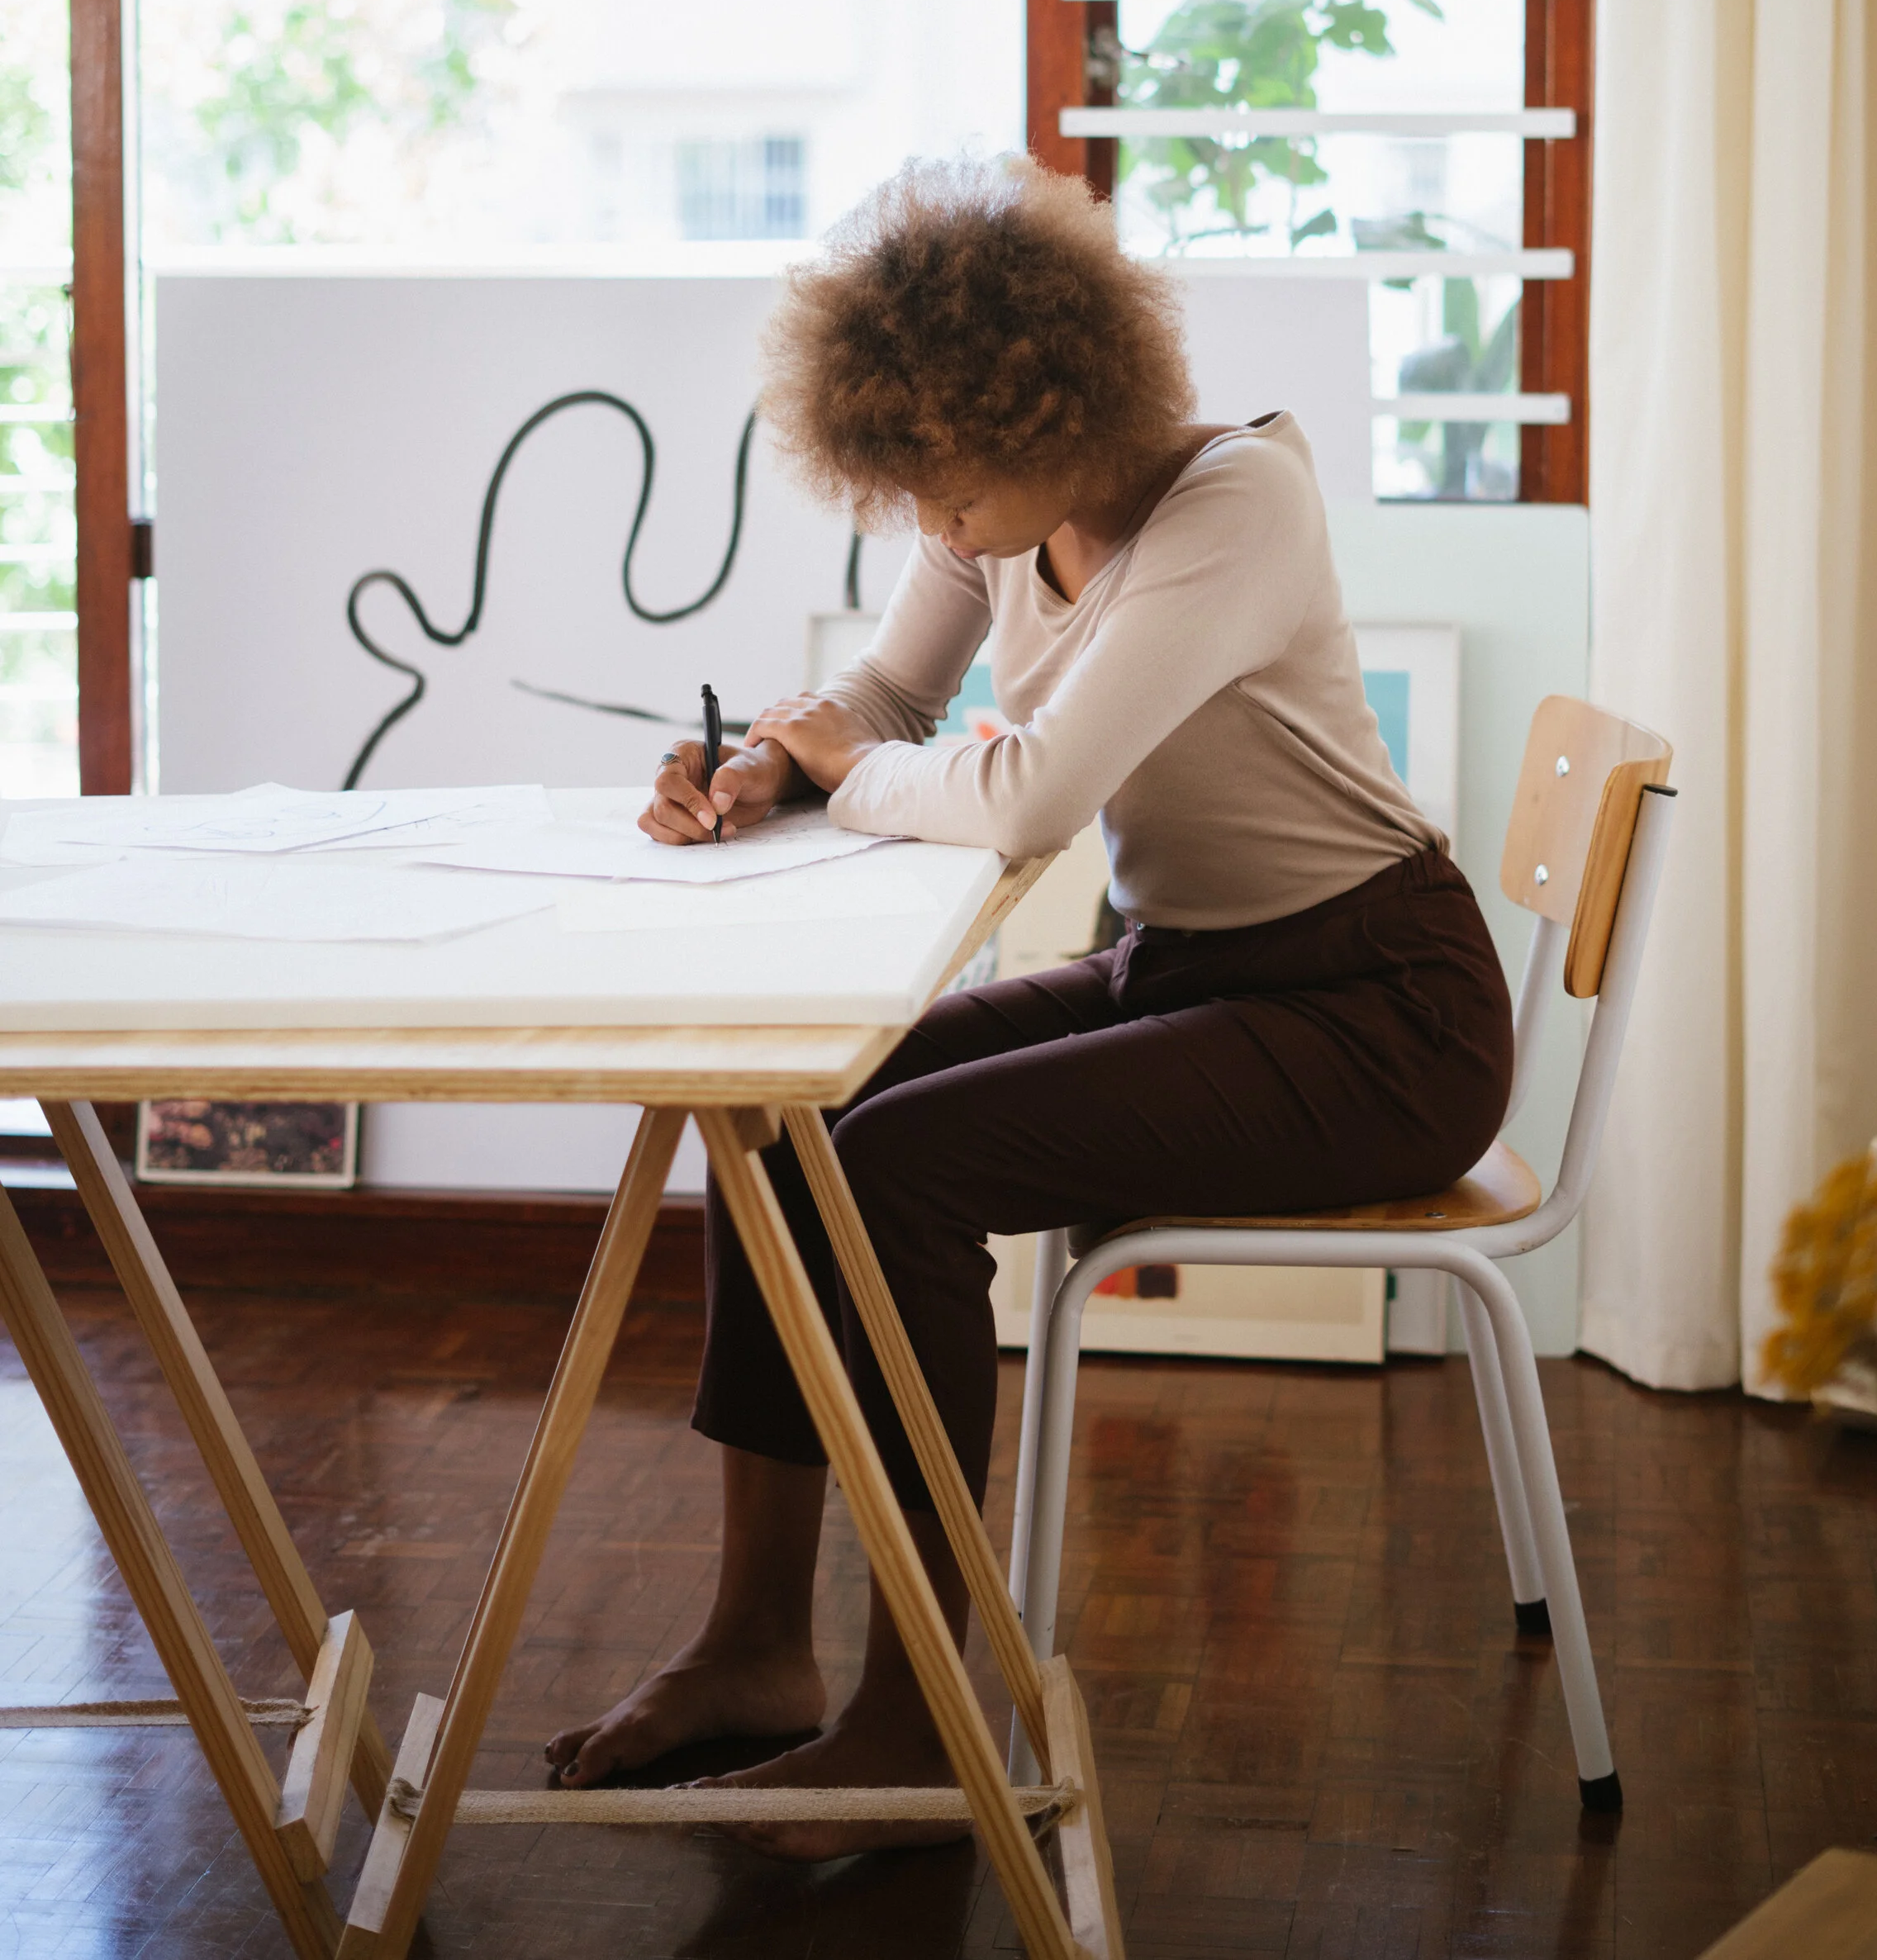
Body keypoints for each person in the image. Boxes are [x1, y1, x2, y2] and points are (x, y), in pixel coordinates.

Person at [544, 157, 1513, 1851]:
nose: (927, 520)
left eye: (940, 480)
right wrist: (759, 762)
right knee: (783, 1099)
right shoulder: (1005, 515)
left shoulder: (1233, 503)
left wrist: (846, 767)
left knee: (905, 1164)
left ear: (1049, 403)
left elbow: (1025, 797)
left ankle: (917, 1721)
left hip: (1380, 1010)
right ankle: (757, 1645)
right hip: (1197, 966)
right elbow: (885, 695)